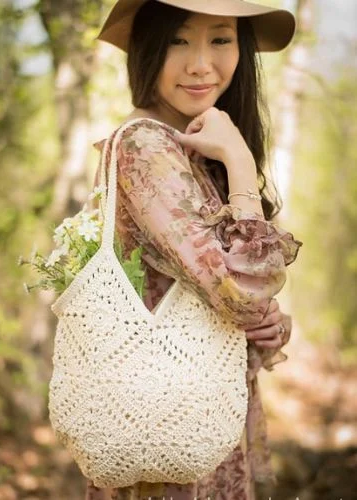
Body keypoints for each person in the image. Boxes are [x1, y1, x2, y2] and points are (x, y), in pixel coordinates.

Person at [85, 0, 302, 498]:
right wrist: (242, 164)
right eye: (179, 39)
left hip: (200, 415)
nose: (201, 63)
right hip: (168, 426)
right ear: (147, 46)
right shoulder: (146, 146)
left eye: (220, 39)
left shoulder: (193, 145)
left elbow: (227, 292)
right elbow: (241, 290)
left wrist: (268, 324)